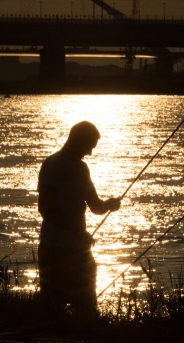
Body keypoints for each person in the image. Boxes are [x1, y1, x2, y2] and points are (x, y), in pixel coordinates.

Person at [37, 121, 121, 316]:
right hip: (55, 248)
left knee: (85, 307)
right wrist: (78, 233)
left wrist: (109, 204)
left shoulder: (82, 169)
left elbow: (95, 206)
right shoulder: (51, 165)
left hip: (77, 249)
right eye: (89, 146)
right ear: (78, 140)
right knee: (53, 309)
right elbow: (46, 209)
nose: (90, 152)